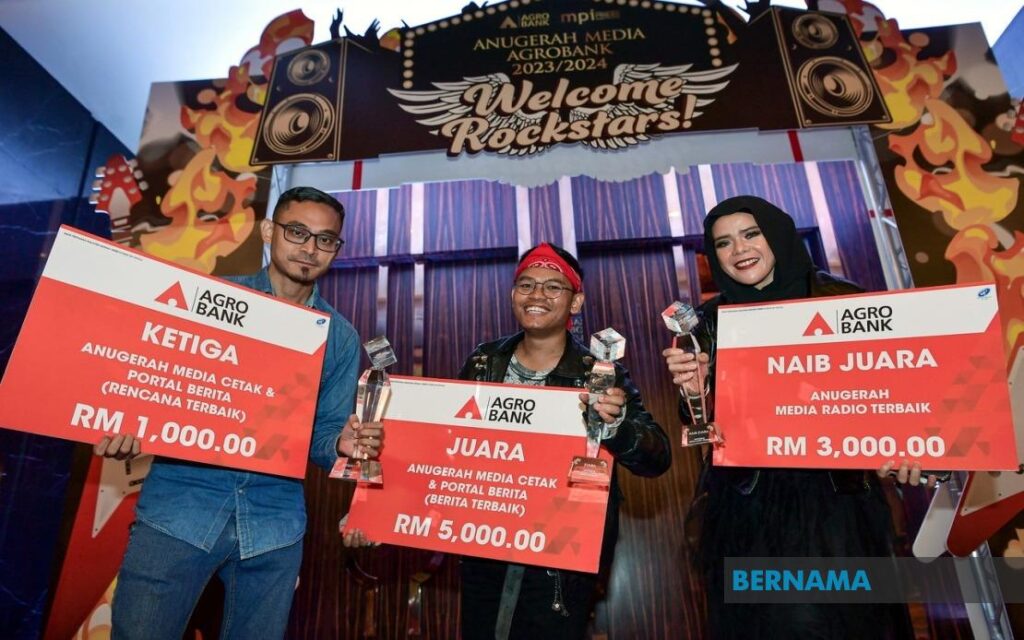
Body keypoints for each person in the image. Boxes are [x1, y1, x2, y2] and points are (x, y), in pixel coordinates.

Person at [94, 186, 383, 639]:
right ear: (269, 231)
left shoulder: (341, 337)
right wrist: (127, 426)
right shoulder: (213, 299)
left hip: (274, 523)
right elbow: (156, 388)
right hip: (181, 506)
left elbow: (323, 434)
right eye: (297, 232)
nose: (310, 248)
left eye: (325, 239)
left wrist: (340, 443)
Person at [663, 195, 933, 639]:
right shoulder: (707, 322)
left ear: (778, 234)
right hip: (749, 504)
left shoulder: (841, 300)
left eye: (751, 234)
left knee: (850, 623)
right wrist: (696, 392)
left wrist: (905, 445)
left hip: (838, 502)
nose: (739, 249)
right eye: (724, 242)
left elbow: (889, 392)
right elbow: (700, 426)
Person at [457, 242, 671, 639]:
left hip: (560, 557)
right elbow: (448, 445)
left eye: (553, 287)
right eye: (526, 285)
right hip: (485, 542)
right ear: (513, 295)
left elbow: (657, 457)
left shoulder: (601, 373)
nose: (537, 295)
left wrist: (616, 426)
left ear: (576, 302)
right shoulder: (483, 362)